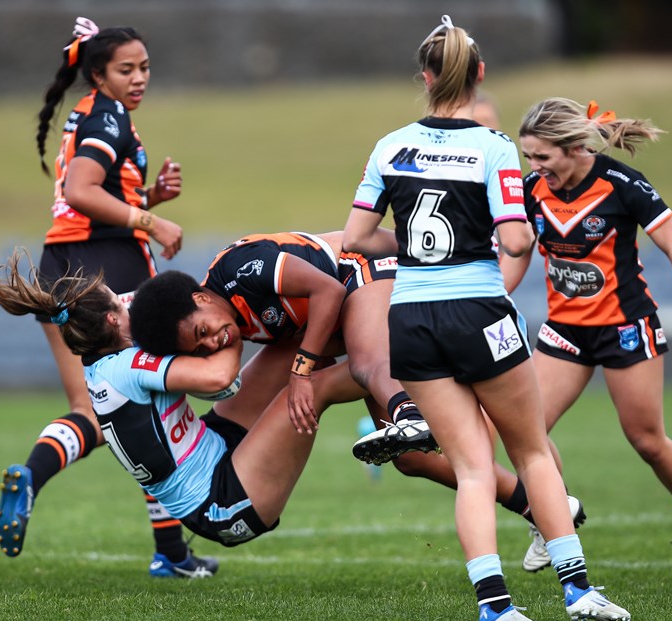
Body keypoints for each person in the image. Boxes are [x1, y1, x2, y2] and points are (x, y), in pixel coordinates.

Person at [341, 15, 630, 621]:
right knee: (530, 453)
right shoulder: (493, 147)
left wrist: (416, 249)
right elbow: (518, 241)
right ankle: (578, 593)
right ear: (478, 74)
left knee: (472, 468)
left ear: (424, 76)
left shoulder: (388, 146)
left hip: (410, 319)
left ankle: (496, 611)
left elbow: (358, 238)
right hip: (478, 310)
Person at [129, 231, 579, 563]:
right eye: (199, 347)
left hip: (364, 269)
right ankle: (539, 506)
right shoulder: (221, 320)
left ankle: (413, 409)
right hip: (350, 309)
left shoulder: (238, 269)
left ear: (200, 297)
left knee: (362, 368)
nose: (211, 343)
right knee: (412, 459)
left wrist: (304, 370)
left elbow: (328, 288)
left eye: (203, 332)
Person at [0, 17, 212, 578]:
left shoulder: (92, 113)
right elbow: (81, 191)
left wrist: (147, 195)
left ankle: (32, 477)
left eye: (144, 68)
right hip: (107, 269)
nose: (139, 78)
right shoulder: (107, 114)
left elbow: (88, 196)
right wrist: (150, 221)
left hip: (60, 268)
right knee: (156, 405)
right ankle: (173, 553)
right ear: (98, 73)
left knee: (90, 409)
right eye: (126, 69)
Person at [0, 250, 369, 550]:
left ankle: (378, 328)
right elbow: (219, 377)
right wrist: (227, 319)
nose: (123, 298)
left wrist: (201, 304)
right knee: (312, 388)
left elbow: (163, 304)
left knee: (295, 346)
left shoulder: (103, 358)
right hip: (224, 502)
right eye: (116, 298)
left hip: (219, 447)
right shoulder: (127, 366)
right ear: (113, 321)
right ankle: (404, 365)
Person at [503, 96, 672, 584]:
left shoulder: (620, 184)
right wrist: (491, 296)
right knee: (525, 429)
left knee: (646, 439)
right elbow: (518, 254)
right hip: (565, 330)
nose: (535, 167)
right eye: (529, 157)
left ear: (571, 148)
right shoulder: (531, 191)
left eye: (542, 156)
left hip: (624, 327)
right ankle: (552, 518)